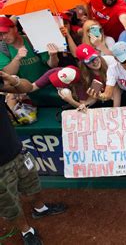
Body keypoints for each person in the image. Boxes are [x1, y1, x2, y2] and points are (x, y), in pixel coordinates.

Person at [0, 71, 66, 245]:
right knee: (9, 204)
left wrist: (11, 79)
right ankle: (26, 231)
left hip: (17, 151)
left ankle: (40, 208)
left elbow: (27, 87)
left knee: (32, 184)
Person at [88, 41, 126, 108]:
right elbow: (108, 94)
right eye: (124, 60)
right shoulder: (112, 68)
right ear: (116, 59)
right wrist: (99, 96)